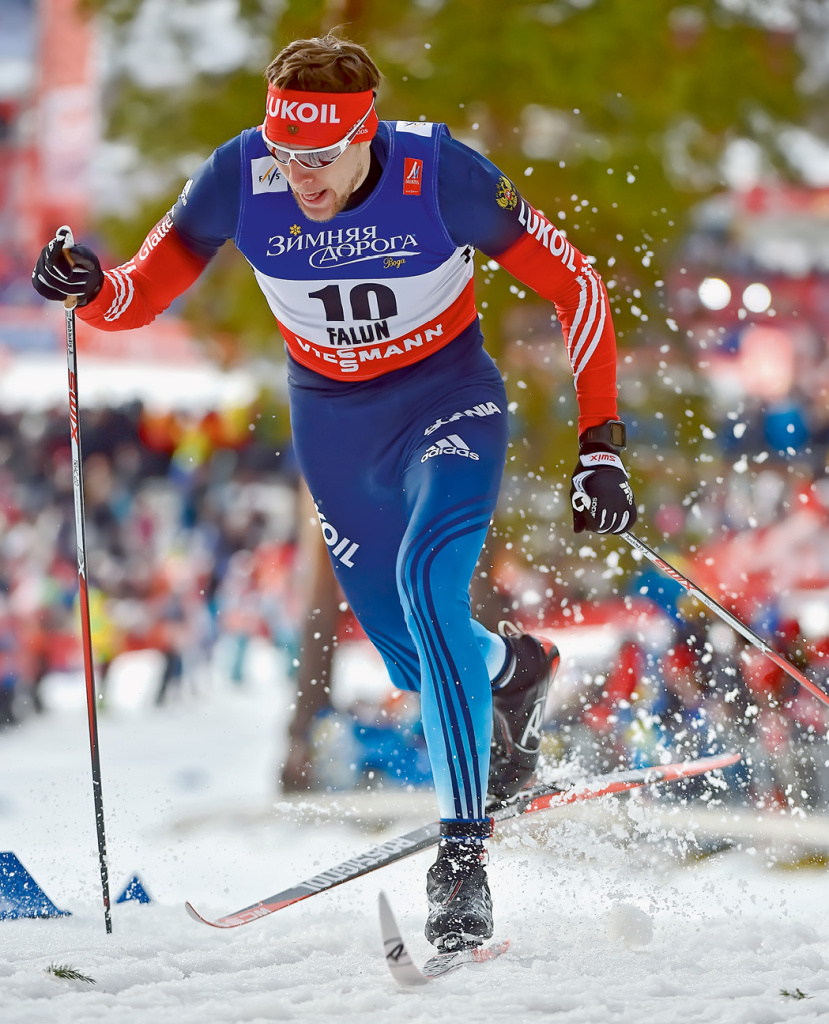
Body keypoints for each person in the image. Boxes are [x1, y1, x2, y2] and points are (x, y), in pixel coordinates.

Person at [32, 33, 637, 951]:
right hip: (335, 424)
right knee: (414, 662)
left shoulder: (442, 173)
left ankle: (461, 861)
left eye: (319, 158)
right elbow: (139, 293)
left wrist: (601, 445)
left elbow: (578, 286)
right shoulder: (242, 172)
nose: (301, 177)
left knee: (432, 590)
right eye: (287, 154)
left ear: (365, 136)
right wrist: (87, 285)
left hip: (447, 401)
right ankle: (511, 670)